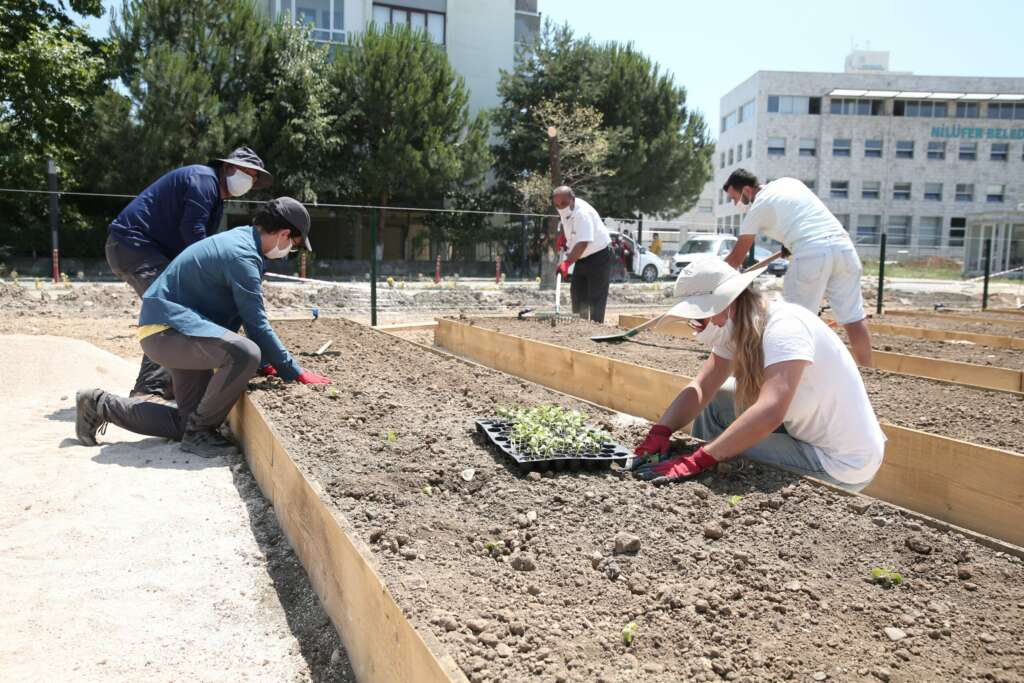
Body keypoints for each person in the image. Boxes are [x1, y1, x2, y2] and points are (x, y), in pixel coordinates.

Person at [76, 197, 330, 458]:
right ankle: (199, 435)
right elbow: (256, 323)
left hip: (176, 331)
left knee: (187, 421)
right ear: (286, 234)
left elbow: (245, 316)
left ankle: (98, 404)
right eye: (294, 245)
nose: (289, 250)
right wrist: (294, 372)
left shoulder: (243, 242)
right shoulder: (242, 255)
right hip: (168, 331)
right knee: (245, 354)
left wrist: (267, 364)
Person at [632, 258, 886, 492]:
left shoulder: (785, 328)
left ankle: (706, 470)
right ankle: (710, 467)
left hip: (841, 462)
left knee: (720, 449)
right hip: (804, 435)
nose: (697, 328)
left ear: (726, 305)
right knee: (719, 399)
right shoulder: (739, 325)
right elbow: (703, 387)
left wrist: (699, 459)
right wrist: (661, 431)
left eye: (700, 319)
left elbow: (770, 411)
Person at [105, 147, 273, 400]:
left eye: (253, 177)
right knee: (169, 312)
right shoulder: (204, 180)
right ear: (228, 167)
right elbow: (193, 232)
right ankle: (148, 390)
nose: (249, 180)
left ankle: (172, 384)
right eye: (246, 172)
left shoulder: (214, 196)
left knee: (180, 311)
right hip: (134, 248)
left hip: (145, 251)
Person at [720, 170, 874, 367]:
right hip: (844, 249)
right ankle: (869, 371)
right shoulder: (788, 183)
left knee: (794, 320)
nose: (735, 204)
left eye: (735, 198)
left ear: (747, 190)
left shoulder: (758, 206)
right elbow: (802, 215)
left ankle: (795, 370)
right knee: (853, 318)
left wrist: (713, 277)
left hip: (812, 254)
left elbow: (736, 258)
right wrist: (789, 244)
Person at [552, 185, 612, 323]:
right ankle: (580, 327)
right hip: (582, 256)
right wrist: (563, 237)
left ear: (572, 199)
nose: (561, 207)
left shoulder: (582, 213)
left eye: (564, 204)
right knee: (578, 293)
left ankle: (596, 327)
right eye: (557, 205)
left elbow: (583, 243)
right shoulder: (566, 209)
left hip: (599, 255)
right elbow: (565, 223)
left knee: (596, 297)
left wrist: (566, 263)